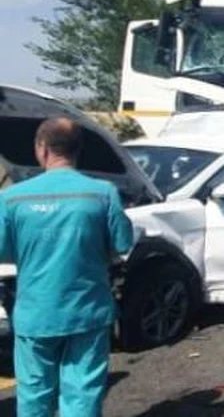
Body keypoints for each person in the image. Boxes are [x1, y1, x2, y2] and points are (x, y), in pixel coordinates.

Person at [0, 117, 134, 416]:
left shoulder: (10, 198)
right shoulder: (103, 193)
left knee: (34, 395)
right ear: (78, 150)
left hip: (36, 313)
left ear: (42, 149)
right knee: (83, 393)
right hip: (87, 311)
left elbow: (2, 252)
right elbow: (123, 243)